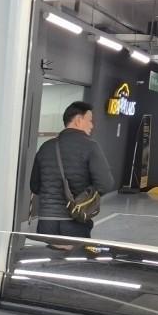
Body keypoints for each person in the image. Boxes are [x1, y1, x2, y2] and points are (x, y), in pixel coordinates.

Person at [30, 100, 114, 246]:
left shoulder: (46, 147)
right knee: (74, 259)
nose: (92, 125)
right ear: (78, 120)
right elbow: (105, 184)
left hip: (46, 222)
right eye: (90, 120)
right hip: (75, 222)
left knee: (49, 258)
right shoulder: (90, 146)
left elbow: (35, 186)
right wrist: (85, 197)